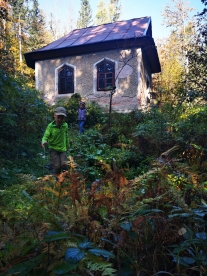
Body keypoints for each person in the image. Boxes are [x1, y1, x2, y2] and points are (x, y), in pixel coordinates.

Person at [42, 106, 69, 175]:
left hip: (62, 149)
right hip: (53, 149)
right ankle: (57, 180)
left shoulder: (65, 125)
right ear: (54, 115)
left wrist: (67, 145)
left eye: (62, 118)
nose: (60, 119)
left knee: (64, 165)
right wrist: (44, 140)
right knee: (57, 166)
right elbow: (46, 135)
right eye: (58, 117)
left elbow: (66, 136)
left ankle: (66, 178)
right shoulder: (50, 126)